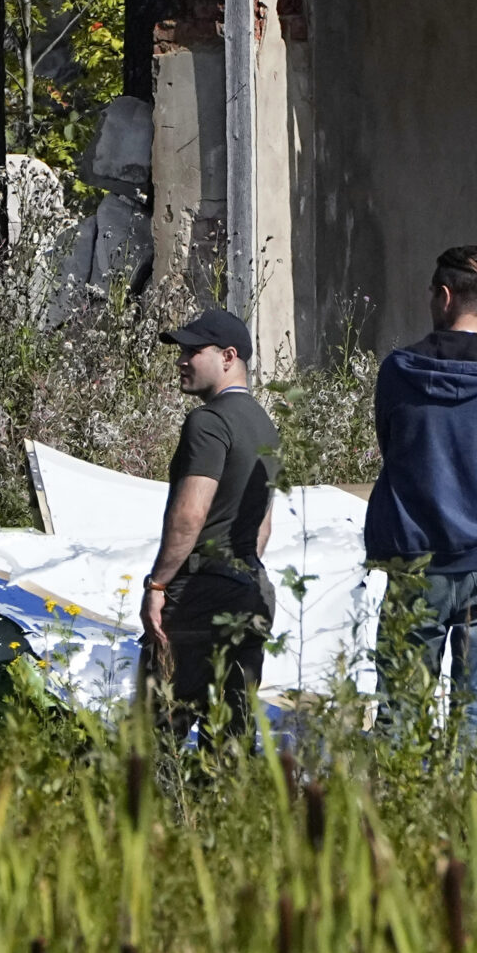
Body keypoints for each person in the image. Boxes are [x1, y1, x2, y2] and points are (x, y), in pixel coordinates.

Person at [365, 245, 477, 748]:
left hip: (416, 557)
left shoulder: (398, 372)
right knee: (474, 716)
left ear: (444, 296)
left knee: (401, 716)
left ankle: (396, 797)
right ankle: (466, 799)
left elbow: (391, 446)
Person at [139, 307, 280, 746]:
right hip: (250, 591)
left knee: (158, 735)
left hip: (198, 597)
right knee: (230, 741)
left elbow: (190, 515)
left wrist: (158, 585)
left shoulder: (209, 422)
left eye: (193, 351)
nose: (181, 360)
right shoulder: (265, 426)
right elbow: (262, 527)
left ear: (228, 356)